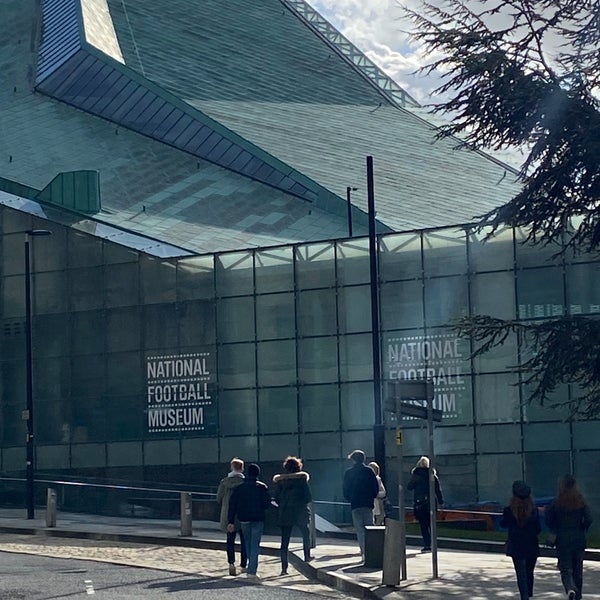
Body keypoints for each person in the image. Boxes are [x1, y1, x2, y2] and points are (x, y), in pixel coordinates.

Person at [545, 474, 593, 600]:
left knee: (565, 568)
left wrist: (555, 528)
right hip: (578, 538)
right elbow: (589, 518)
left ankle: (570, 588)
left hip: (562, 539)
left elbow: (549, 519)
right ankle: (578, 594)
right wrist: (582, 527)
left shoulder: (557, 501)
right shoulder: (580, 501)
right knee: (578, 568)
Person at [227, 462, 272, 580]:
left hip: (244, 518)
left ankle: (249, 566)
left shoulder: (239, 488)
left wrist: (230, 521)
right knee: (255, 545)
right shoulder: (262, 487)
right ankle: (252, 571)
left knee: (247, 543)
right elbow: (267, 503)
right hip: (258, 518)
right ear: (258, 474)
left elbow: (233, 505)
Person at [500, 480, 541, 600]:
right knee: (529, 571)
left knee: (520, 572)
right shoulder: (533, 511)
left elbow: (503, 524)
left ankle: (524, 596)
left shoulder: (509, 510)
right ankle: (528, 593)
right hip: (531, 544)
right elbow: (538, 529)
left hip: (516, 544)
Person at [272, 455, 313, 575]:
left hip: (285, 513)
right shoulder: (302, 480)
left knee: (284, 541)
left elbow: (277, 498)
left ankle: (284, 568)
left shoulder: (281, 481)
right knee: (305, 534)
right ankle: (307, 557)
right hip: (300, 511)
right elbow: (308, 497)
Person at [343, 449, 379, 560]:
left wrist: (350, 499)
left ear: (353, 459)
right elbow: (375, 487)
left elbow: (345, 489)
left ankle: (364, 552)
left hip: (355, 503)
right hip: (367, 503)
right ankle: (372, 552)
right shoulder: (369, 471)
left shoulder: (349, 472)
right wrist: (371, 497)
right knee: (370, 528)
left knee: (360, 529)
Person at [216, 457, 247, 576]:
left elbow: (218, 498)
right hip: (242, 514)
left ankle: (231, 564)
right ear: (242, 469)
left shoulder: (224, 482)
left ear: (231, 467)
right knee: (244, 541)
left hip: (228, 516)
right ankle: (244, 565)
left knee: (230, 541)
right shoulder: (244, 482)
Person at [407, 456, 444, 552]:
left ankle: (427, 544)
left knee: (423, 525)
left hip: (420, 503)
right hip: (431, 503)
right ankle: (433, 543)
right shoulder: (433, 475)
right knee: (431, 524)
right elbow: (438, 490)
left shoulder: (416, 475)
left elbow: (409, 487)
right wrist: (441, 502)